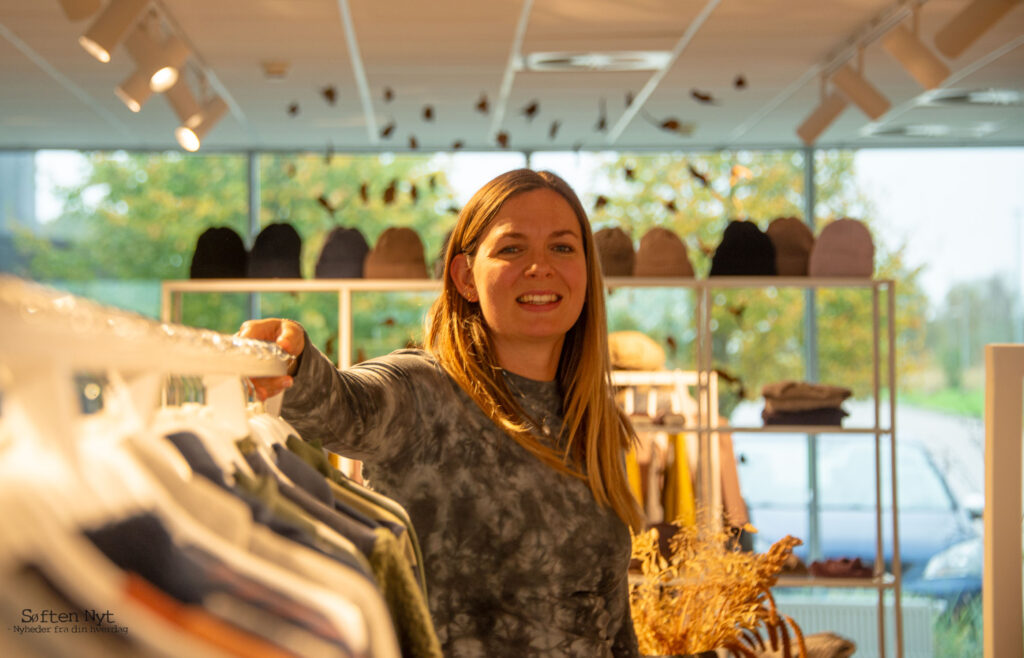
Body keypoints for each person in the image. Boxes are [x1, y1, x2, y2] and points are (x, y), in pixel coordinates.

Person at [239, 168, 645, 657]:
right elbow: (346, 406)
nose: (540, 267)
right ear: (465, 277)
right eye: (512, 248)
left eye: (562, 247)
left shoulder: (590, 419)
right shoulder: (422, 392)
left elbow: (611, 619)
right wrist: (295, 362)